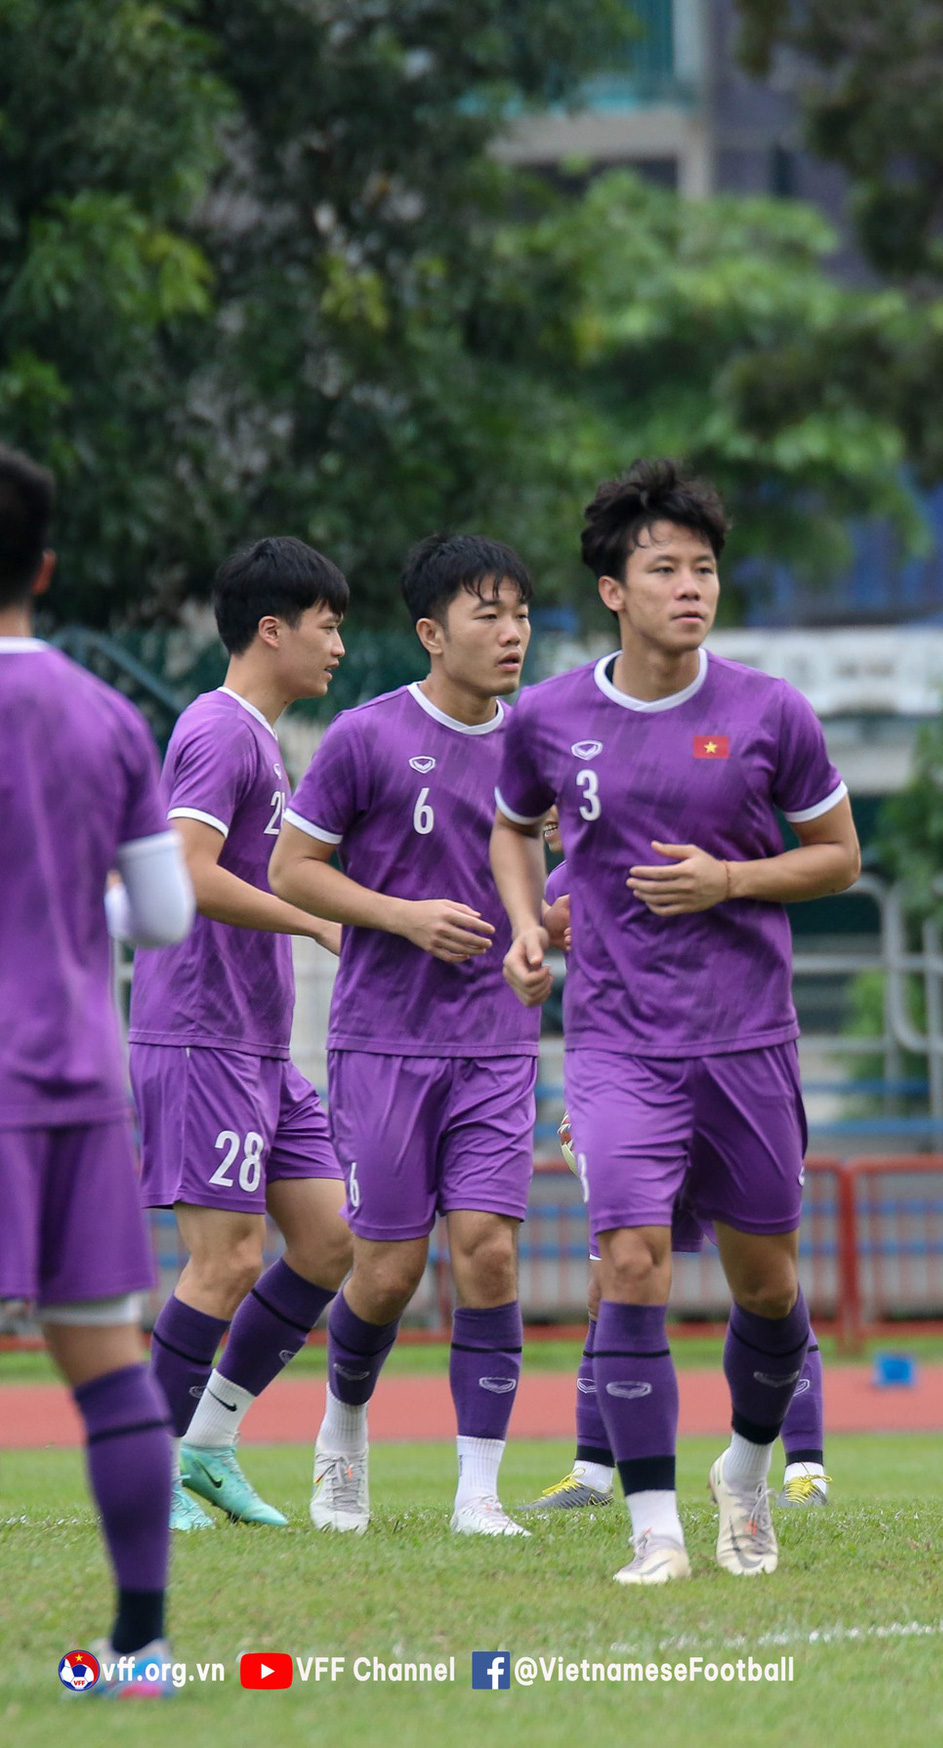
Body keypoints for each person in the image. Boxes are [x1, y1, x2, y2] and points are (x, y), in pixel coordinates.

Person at [491, 458, 860, 1582]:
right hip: (616, 1043)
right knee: (632, 1260)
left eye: (703, 568)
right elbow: (514, 828)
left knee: (769, 1290)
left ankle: (744, 1472)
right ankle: (655, 1530)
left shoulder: (768, 710)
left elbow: (839, 856)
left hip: (748, 1040)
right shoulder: (549, 714)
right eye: (664, 569)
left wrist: (732, 881)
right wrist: (522, 923)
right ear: (613, 587)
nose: (689, 587)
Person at [268, 533, 539, 1535]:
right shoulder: (363, 737)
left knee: (489, 1256)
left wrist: (543, 926)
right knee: (385, 1270)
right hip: (382, 1042)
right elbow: (293, 870)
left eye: (520, 614)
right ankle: (341, 1431)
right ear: (431, 632)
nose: (510, 632)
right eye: (487, 613)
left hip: (498, 1041)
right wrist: (401, 914)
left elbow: (549, 889)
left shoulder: (538, 747)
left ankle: (479, 1490)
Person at [0, 444, 194, 1693]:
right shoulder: (106, 713)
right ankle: (139, 1647)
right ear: (48, 566)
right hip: (71, 1072)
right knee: (106, 1362)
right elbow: (166, 916)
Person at [128, 538, 353, 1532]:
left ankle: (207, 1445)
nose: (338, 644)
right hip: (200, 1035)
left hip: (259, 1047)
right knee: (222, 1259)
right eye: (327, 622)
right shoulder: (219, 729)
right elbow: (185, 869)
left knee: (329, 1238)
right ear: (274, 627)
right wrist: (310, 917)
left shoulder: (264, 739)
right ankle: (150, 1471)